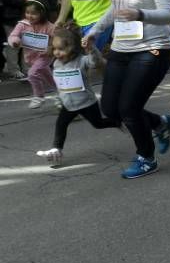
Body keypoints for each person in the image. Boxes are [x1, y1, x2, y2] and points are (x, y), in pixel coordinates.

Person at [83, 0, 170, 179]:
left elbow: (168, 13)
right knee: (110, 109)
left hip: (153, 49)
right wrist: (95, 31)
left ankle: (146, 157)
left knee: (129, 107)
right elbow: (115, 8)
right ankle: (160, 123)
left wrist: (140, 15)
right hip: (122, 47)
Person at [36, 27, 118, 167]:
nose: (57, 53)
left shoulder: (82, 61)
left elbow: (95, 62)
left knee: (98, 124)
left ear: (73, 48)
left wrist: (91, 49)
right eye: (55, 49)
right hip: (68, 104)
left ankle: (119, 122)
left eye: (61, 49)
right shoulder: (56, 63)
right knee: (61, 124)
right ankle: (57, 149)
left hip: (86, 102)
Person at [7, 0, 56, 107]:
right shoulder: (22, 25)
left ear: (42, 14)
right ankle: (62, 93)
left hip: (44, 56)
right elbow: (13, 36)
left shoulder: (49, 26)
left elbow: (56, 37)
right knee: (48, 77)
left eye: (34, 13)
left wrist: (51, 46)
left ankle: (39, 96)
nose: (30, 16)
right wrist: (15, 42)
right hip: (30, 57)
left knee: (32, 74)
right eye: (28, 12)